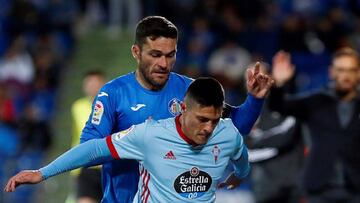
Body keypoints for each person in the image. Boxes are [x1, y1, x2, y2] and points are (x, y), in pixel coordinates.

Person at [80, 16, 273, 203]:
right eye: (155, 55)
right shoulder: (113, 93)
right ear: (136, 52)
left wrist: (255, 99)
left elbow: (237, 126)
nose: (163, 64)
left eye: (170, 55)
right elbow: (88, 149)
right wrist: (137, 145)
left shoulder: (189, 90)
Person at [5, 77, 251, 203]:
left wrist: (238, 175)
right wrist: (43, 172)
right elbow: (95, 149)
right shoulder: (150, 134)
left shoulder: (227, 133)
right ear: (184, 109)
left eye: (215, 120)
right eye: (202, 119)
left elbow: (241, 158)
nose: (209, 128)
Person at [269, 48, 360, 203]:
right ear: (331, 72)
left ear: (358, 73)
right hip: (318, 188)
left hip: (356, 188)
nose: (345, 76)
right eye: (341, 70)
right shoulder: (315, 102)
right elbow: (279, 106)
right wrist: (278, 84)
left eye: (351, 70)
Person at [69, 71, 105, 203]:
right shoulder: (78, 107)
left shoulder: (114, 106)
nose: (93, 87)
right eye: (89, 84)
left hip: (108, 167)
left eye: (97, 83)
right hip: (87, 167)